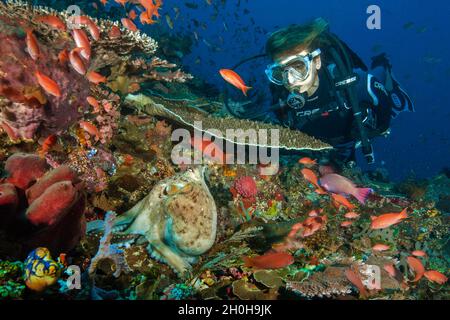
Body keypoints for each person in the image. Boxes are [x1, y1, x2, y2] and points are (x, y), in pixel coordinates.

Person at [227, 18, 414, 168]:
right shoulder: (281, 95)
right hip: (326, 145)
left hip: (350, 135)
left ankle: (383, 64)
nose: (290, 81)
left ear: (316, 61)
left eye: (298, 67)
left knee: (382, 78)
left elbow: (383, 121)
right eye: (281, 73)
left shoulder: (356, 83)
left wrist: (371, 128)